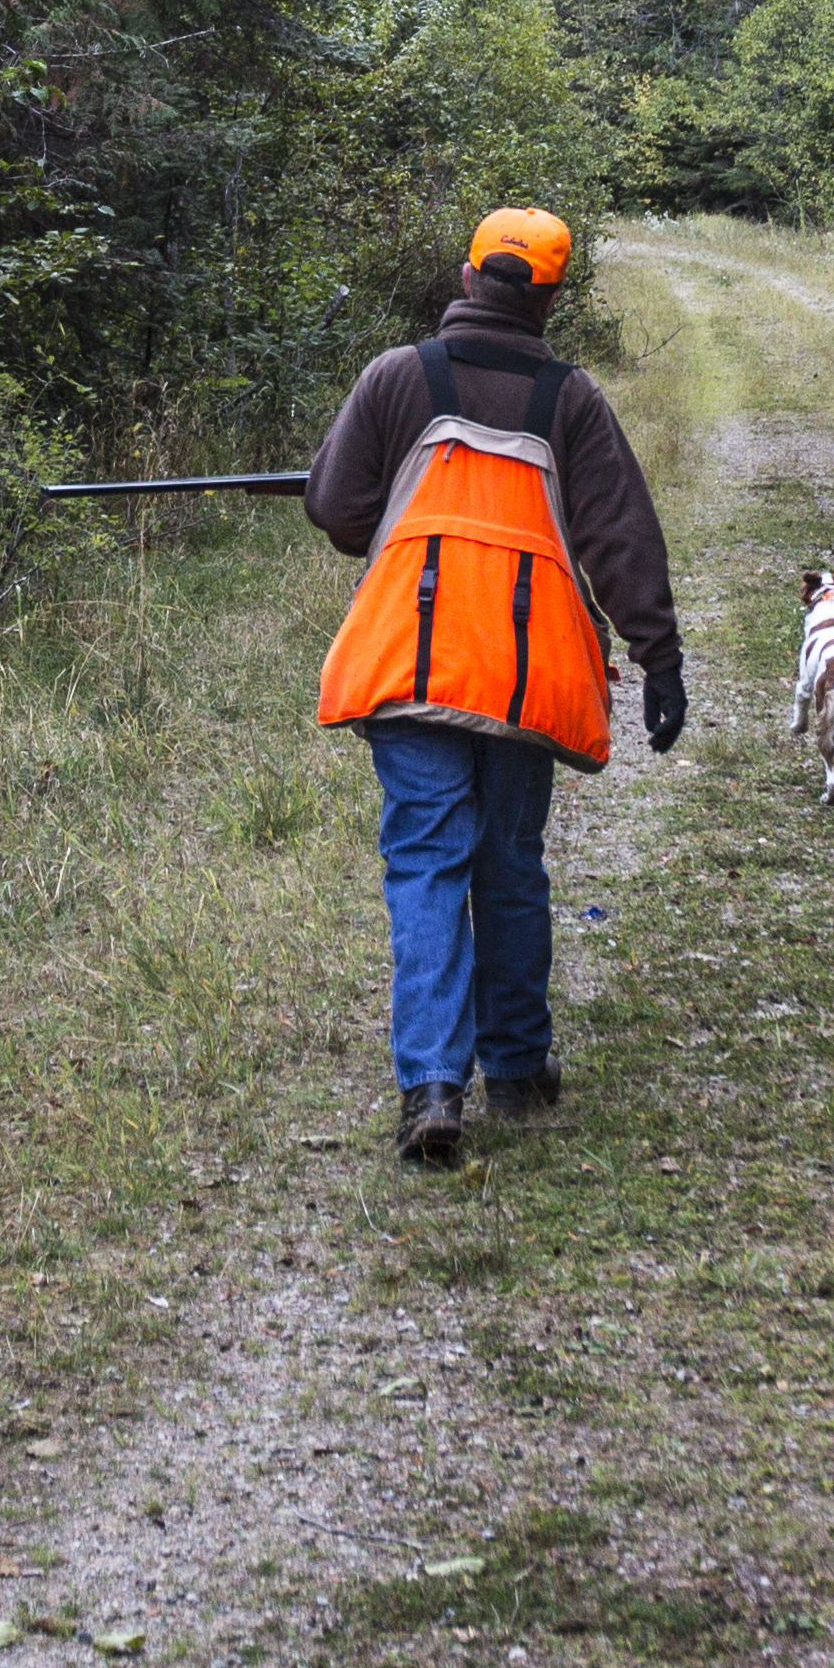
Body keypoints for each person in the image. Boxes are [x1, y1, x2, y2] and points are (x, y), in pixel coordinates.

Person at [299, 206, 685, 1166]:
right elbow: (618, 535)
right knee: (510, 861)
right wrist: (659, 653)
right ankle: (514, 1066)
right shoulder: (572, 400)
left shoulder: (401, 375)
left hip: (412, 664)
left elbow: (340, 512)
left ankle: (432, 1084)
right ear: (549, 296)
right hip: (524, 677)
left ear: (469, 278)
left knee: (427, 860)